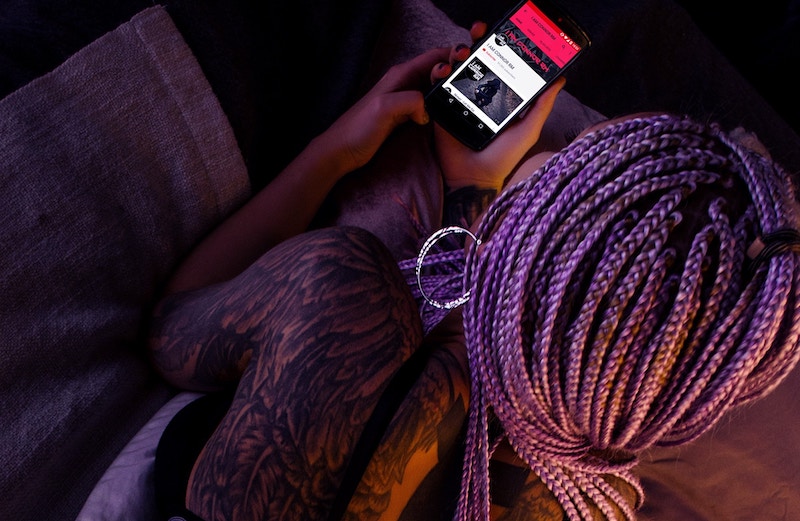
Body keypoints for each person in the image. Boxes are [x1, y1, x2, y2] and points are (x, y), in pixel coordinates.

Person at [148, 20, 800, 521]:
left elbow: (175, 323)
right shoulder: (585, 503)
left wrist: (337, 151)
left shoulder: (339, 294)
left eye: (569, 156)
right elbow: (481, 361)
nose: (566, 139)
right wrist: (477, 190)